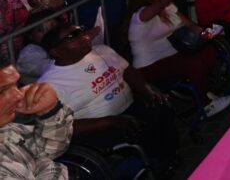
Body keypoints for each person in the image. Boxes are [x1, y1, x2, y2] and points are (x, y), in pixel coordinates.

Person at [38, 21, 179, 173]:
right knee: (138, 129)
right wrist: (109, 121)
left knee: (161, 108)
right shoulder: (50, 85)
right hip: (96, 128)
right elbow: (56, 128)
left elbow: (127, 70)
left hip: (130, 107)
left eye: (81, 31)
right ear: (55, 51)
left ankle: (167, 161)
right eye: (72, 36)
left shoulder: (102, 50)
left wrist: (146, 88)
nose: (84, 37)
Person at [126, 0, 230, 118]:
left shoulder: (168, 8)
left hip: (173, 55)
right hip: (149, 65)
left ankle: (204, 90)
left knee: (208, 51)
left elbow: (189, 24)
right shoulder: (140, 16)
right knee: (191, 63)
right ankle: (206, 105)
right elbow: (161, 3)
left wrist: (205, 33)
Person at [0, 61, 73, 180]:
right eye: (1, 91)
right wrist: (52, 168)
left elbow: (48, 150)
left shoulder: (5, 127)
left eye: (16, 84)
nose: (18, 95)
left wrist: (49, 111)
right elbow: (45, 160)